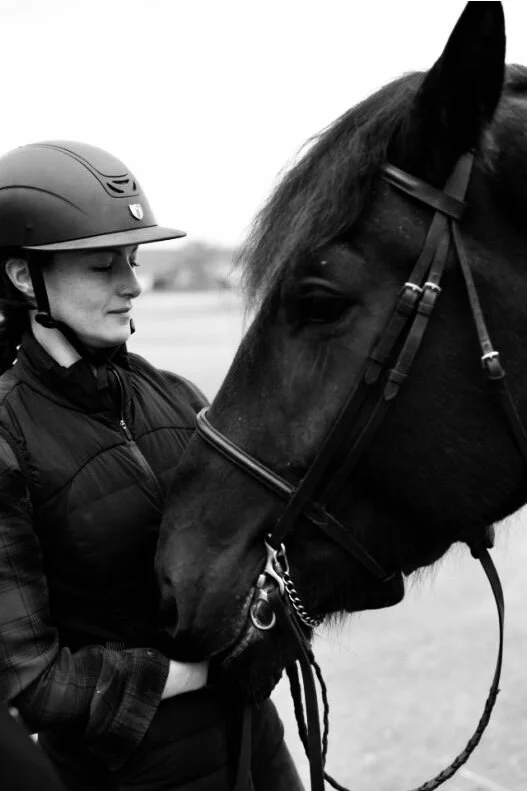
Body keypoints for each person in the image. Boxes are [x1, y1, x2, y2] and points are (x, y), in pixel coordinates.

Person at [0, 140, 304, 791]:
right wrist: (206, 667)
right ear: (26, 278)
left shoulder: (178, 394)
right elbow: (32, 680)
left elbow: (257, 544)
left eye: (131, 259)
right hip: (134, 774)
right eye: (101, 265)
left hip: (256, 742)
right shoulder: (6, 436)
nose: (131, 283)